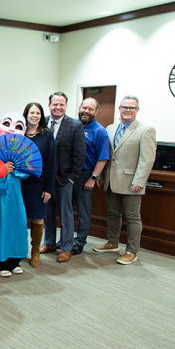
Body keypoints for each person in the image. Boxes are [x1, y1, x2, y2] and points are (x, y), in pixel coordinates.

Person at [96, 96, 156, 265]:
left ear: (137, 110)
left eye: (132, 107)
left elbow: (147, 159)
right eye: (124, 107)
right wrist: (101, 175)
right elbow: (106, 155)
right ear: (119, 109)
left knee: (133, 218)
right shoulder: (110, 128)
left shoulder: (146, 130)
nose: (127, 110)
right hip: (111, 180)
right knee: (112, 214)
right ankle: (112, 243)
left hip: (132, 183)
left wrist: (139, 181)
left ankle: (131, 251)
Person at [0, 112, 31, 276]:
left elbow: (28, 171)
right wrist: (2, 169)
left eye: (18, 126)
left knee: (16, 225)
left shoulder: (23, 149)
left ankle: (14, 260)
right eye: (7, 123)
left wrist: (16, 169)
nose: (12, 129)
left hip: (15, 196)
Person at [42, 91, 86, 261]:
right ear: (49, 105)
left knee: (66, 215)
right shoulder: (42, 122)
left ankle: (67, 246)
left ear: (66, 106)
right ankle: (50, 242)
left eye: (61, 104)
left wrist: (72, 179)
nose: (58, 107)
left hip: (64, 179)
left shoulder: (75, 125)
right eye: (55, 104)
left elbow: (80, 156)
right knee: (47, 213)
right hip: (45, 179)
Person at [20, 101, 56, 269]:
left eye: (38, 113)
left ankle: (35, 251)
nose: (34, 116)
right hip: (19, 183)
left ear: (41, 116)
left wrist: (48, 188)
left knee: (38, 218)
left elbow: (51, 164)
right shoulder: (19, 133)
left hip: (38, 184)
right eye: (31, 113)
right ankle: (20, 250)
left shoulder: (47, 135)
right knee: (19, 218)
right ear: (26, 115)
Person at [73, 97, 110, 254]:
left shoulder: (99, 131)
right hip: (70, 175)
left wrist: (93, 178)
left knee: (83, 212)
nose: (86, 111)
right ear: (80, 108)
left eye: (90, 109)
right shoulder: (73, 126)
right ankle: (67, 239)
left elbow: (103, 158)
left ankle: (80, 241)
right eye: (84, 108)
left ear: (95, 111)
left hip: (86, 175)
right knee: (67, 209)